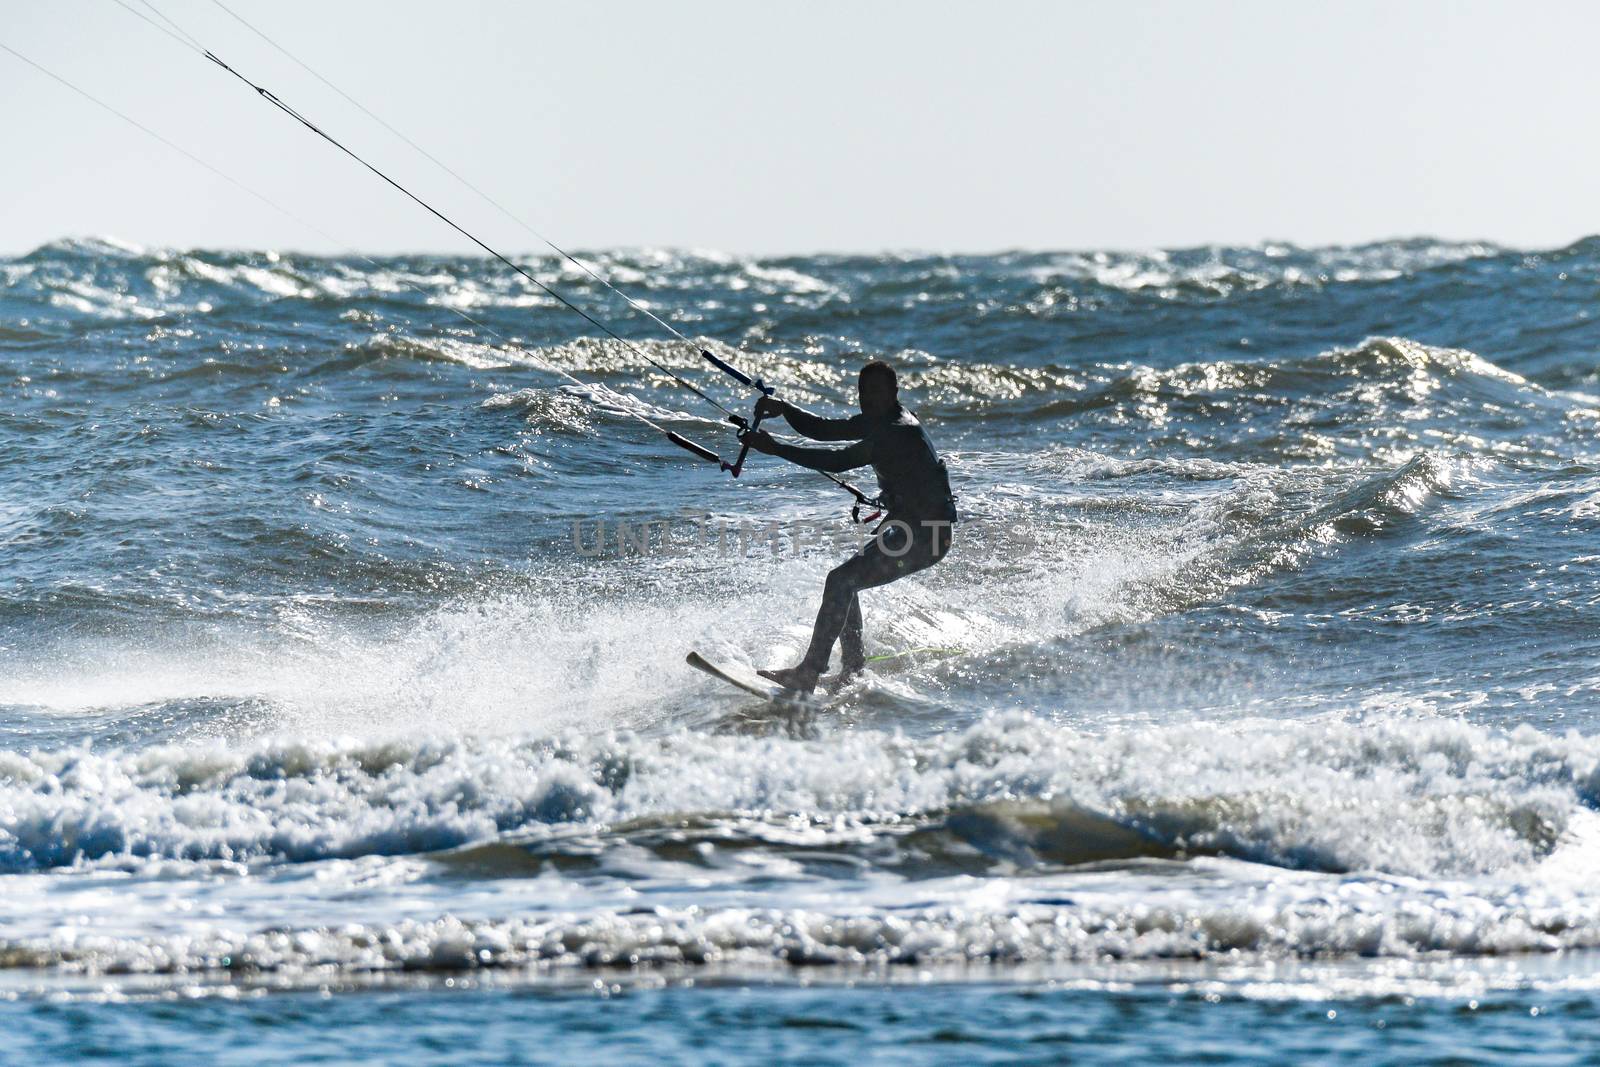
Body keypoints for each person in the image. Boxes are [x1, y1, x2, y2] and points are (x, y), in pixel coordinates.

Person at [742, 360, 957, 692]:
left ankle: (808, 674)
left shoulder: (897, 430)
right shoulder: (881, 420)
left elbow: (837, 460)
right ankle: (852, 668)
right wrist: (784, 409)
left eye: (875, 392)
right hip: (910, 530)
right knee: (845, 581)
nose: (867, 398)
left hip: (928, 536)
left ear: (894, 393)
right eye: (862, 392)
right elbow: (826, 430)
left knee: (841, 581)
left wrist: (775, 449)